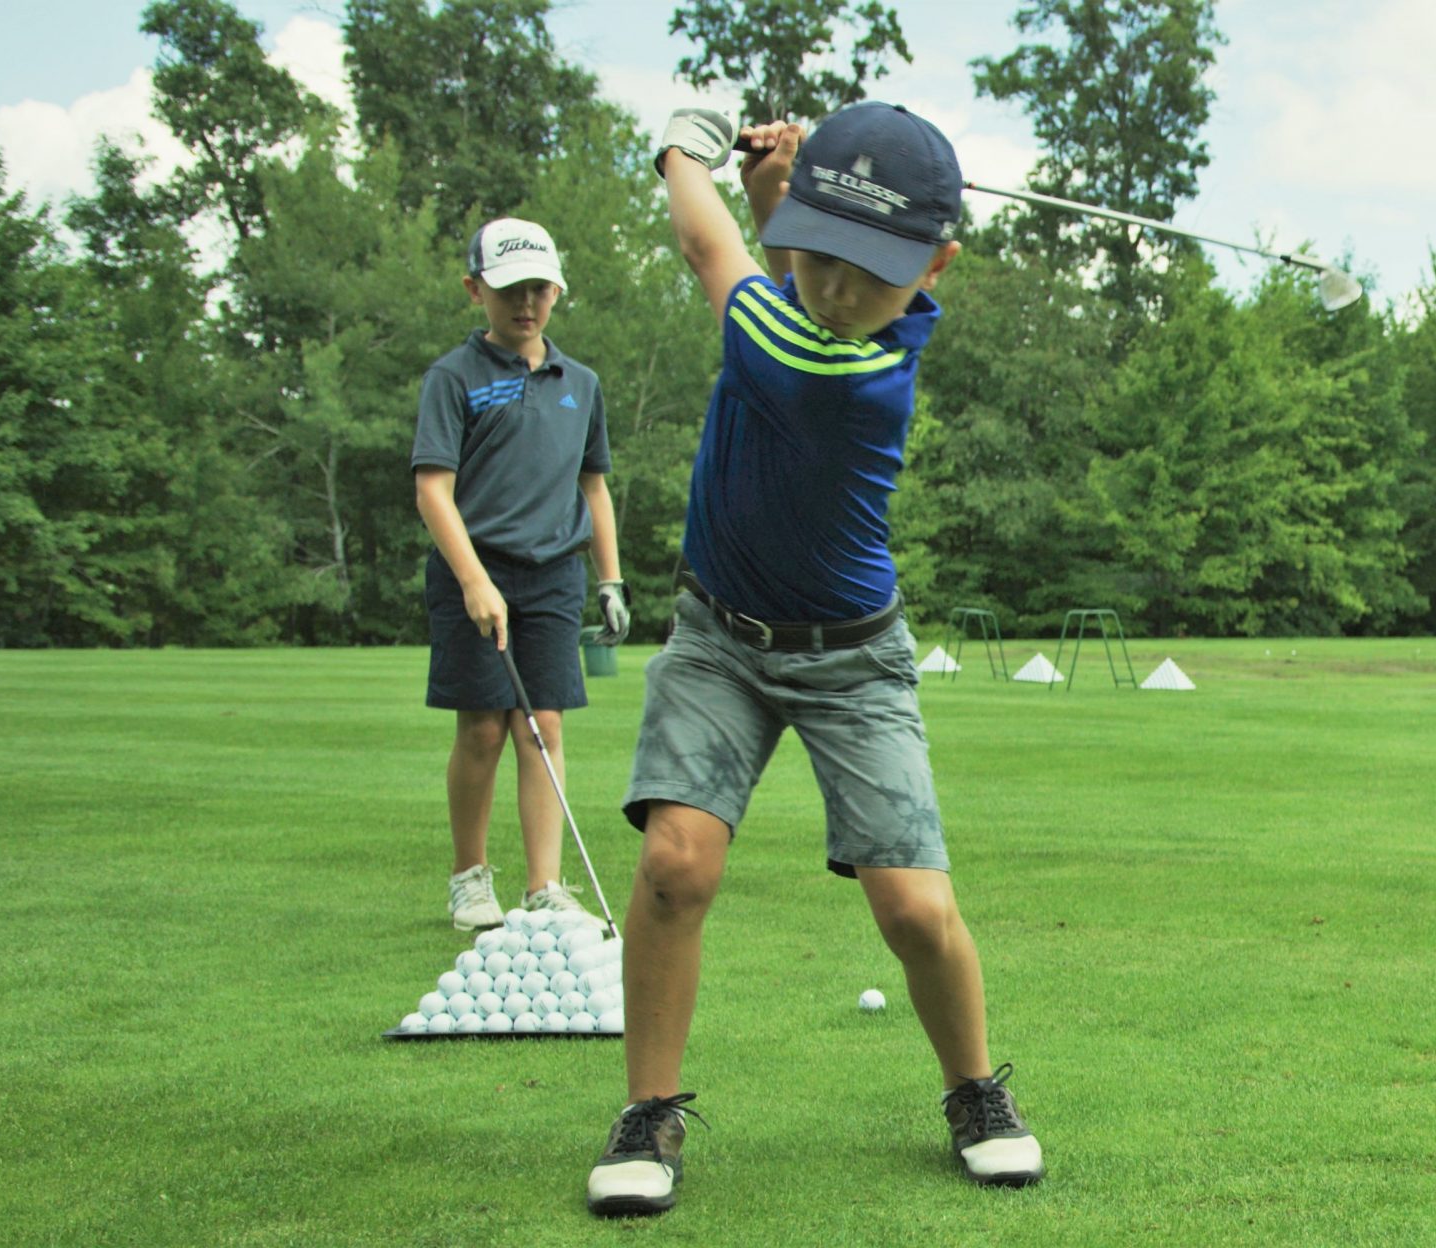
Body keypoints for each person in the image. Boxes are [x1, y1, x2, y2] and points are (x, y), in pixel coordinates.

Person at [583, 103, 1041, 1218]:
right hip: (718, 637)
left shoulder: (844, 369)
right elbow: (777, 248)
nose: (839, 293)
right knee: (674, 863)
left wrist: (681, 145)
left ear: (935, 265)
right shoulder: (816, 293)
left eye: (871, 273)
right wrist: (778, 186)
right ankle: (649, 1111)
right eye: (824, 258)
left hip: (853, 660)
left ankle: (976, 1089)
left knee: (913, 912)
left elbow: (710, 249)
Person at [410, 216, 626, 931]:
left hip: (553, 574)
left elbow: (593, 488)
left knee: (544, 727)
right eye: (508, 290)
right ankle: (469, 881)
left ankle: (545, 886)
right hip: (473, 568)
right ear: (476, 290)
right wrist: (473, 579)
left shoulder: (582, 383)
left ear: (557, 289)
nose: (525, 304)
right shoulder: (455, 377)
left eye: (538, 288)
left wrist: (609, 580)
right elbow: (433, 490)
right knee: (482, 729)